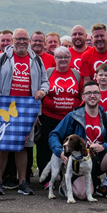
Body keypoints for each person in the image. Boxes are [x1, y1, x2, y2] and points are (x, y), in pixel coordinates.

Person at [0, 28, 49, 196]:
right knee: (2, 146)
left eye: (24, 39)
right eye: (18, 39)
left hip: (27, 110)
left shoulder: (36, 60)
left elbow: (45, 82)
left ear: (28, 41)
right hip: (5, 110)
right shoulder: (2, 58)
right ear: (12, 40)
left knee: (23, 146)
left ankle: (23, 182)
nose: (21, 42)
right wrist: (1, 101)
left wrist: (42, 91)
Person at [49, 81, 107, 200]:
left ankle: (105, 185)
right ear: (83, 96)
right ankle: (65, 186)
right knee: (83, 195)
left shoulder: (106, 117)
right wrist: (60, 152)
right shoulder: (73, 116)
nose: (92, 96)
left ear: (100, 95)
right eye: (88, 93)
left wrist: (104, 147)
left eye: (95, 93)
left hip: (97, 159)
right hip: (78, 161)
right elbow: (53, 135)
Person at [37, 46, 81, 181]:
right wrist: (38, 114)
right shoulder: (48, 73)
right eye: (59, 57)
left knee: (70, 148)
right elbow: (39, 93)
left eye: (66, 57)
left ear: (70, 58)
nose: (63, 59)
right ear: (54, 58)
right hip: (49, 117)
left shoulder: (76, 74)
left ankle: (67, 176)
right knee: (46, 146)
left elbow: (81, 95)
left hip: (70, 119)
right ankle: (46, 178)